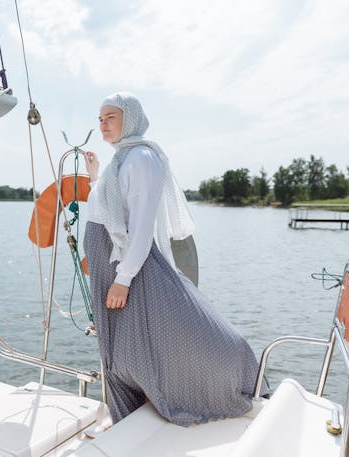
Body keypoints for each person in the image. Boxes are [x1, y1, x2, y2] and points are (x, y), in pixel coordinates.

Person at [83, 91, 261, 426]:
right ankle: (128, 410)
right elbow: (110, 206)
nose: (103, 125)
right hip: (110, 261)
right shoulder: (120, 160)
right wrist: (94, 175)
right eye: (100, 119)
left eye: (111, 118)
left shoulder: (141, 159)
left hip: (121, 264)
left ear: (130, 119)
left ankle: (230, 377)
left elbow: (140, 226)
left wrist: (123, 279)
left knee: (154, 331)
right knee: (117, 339)